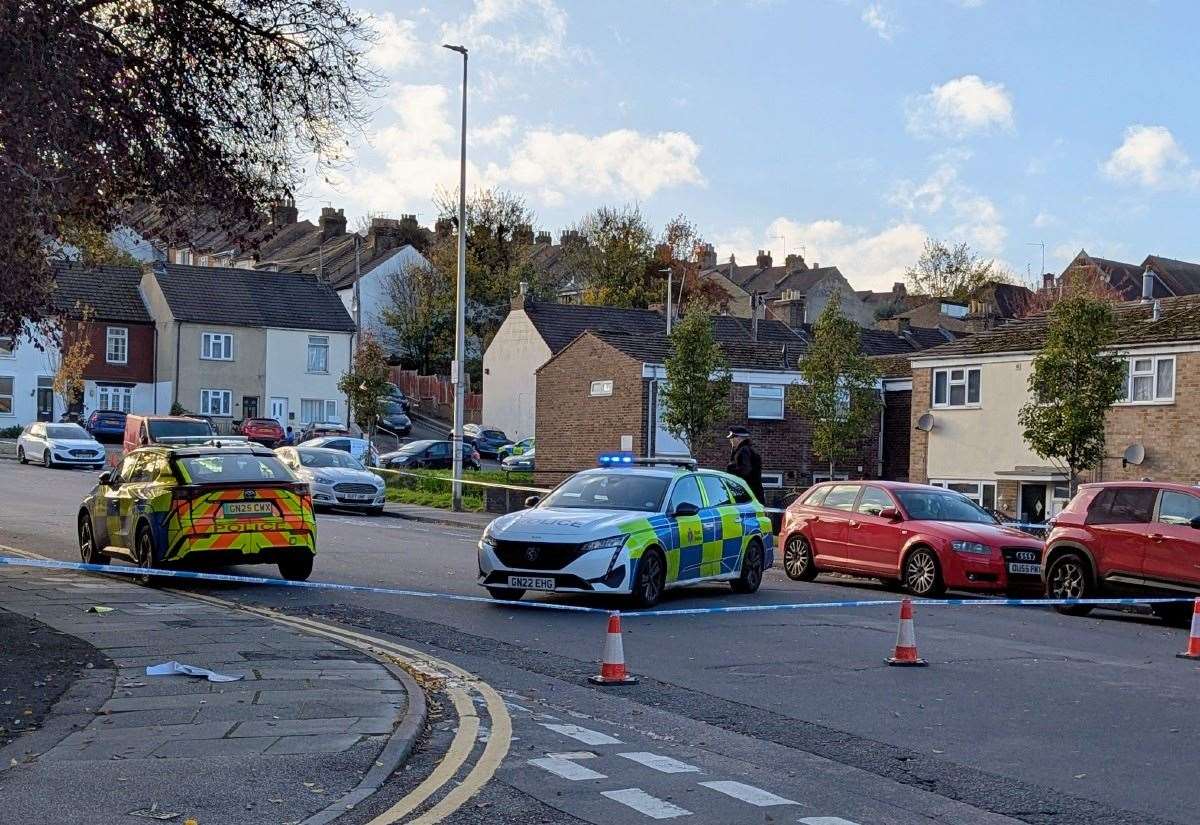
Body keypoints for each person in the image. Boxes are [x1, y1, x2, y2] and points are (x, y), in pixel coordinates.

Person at [726, 426, 765, 503]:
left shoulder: (743, 451)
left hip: (748, 497)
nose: (730, 440)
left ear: (739, 438)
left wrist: (730, 469)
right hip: (753, 495)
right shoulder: (747, 450)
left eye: (732, 438)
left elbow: (745, 471)